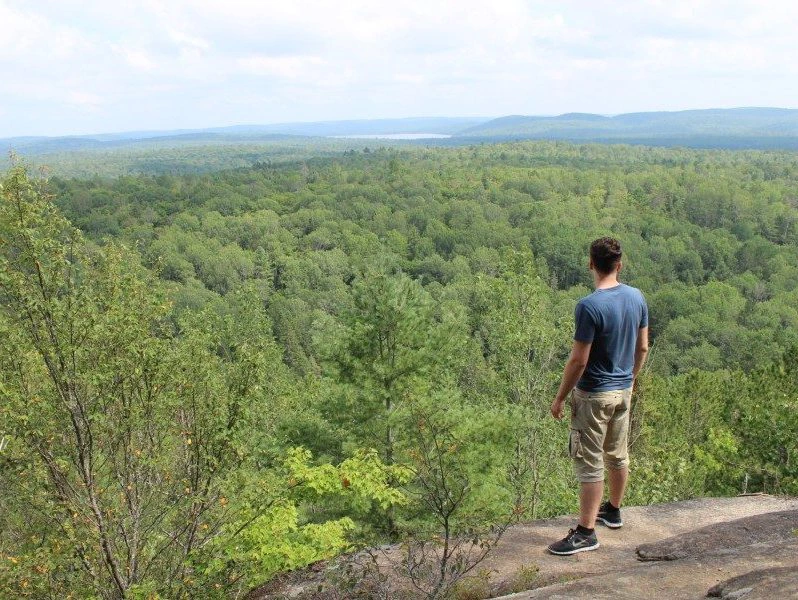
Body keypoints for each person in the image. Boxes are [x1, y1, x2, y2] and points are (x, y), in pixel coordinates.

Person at [547, 237, 649, 555]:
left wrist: (560, 397)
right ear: (620, 264)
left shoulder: (589, 306)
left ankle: (586, 532)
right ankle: (613, 511)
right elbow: (642, 347)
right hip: (623, 391)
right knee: (617, 455)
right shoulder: (637, 297)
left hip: (593, 395)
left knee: (590, 463)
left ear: (591, 263)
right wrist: (629, 380)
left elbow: (579, 360)